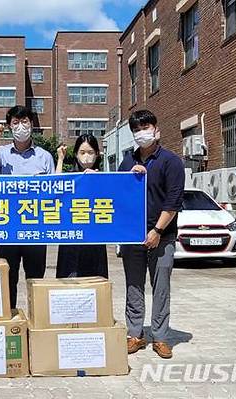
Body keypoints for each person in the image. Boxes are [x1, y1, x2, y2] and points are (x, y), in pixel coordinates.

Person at [118, 109, 185, 359]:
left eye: (146, 128)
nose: (141, 133)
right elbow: (116, 193)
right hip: (132, 237)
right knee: (133, 286)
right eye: (136, 130)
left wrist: (157, 230)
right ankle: (135, 334)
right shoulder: (126, 161)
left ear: (156, 130)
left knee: (161, 287)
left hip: (162, 237)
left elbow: (174, 201)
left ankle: (160, 337)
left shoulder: (171, 161)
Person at [0, 105, 55, 308]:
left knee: (35, 279)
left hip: (35, 228)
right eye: (15, 123)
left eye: (24, 122)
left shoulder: (44, 156)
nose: (21, 126)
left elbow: (55, 189)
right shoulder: (3, 153)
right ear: (9, 127)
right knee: (8, 278)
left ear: (31, 124)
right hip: (8, 227)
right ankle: (11, 322)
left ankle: (36, 319)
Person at [54, 134, 108, 279]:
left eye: (90, 152)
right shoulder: (70, 177)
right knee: (69, 280)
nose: (86, 157)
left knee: (94, 281)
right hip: (70, 239)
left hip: (94, 240)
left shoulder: (106, 179)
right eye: (82, 152)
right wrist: (60, 159)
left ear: (97, 154)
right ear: (76, 154)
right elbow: (54, 187)